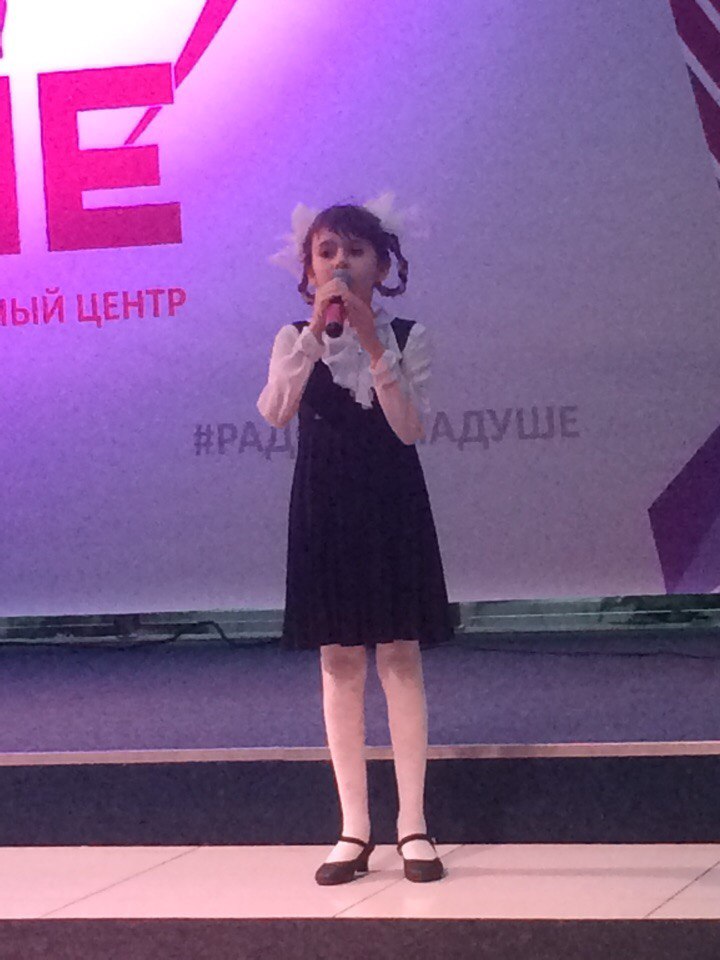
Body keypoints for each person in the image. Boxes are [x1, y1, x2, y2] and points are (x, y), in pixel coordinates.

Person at [257, 196, 455, 885]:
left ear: (382, 266)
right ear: (309, 270)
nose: (340, 263)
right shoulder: (293, 337)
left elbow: (409, 428)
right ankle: (353, 828)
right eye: (327, 252)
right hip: (325, 504)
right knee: (339, 661)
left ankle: (414, 825)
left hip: (390, 502)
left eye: (355, 251)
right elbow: (275, 411)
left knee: (399, 654)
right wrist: (316, 336)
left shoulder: (408, 336)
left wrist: (373, 346)